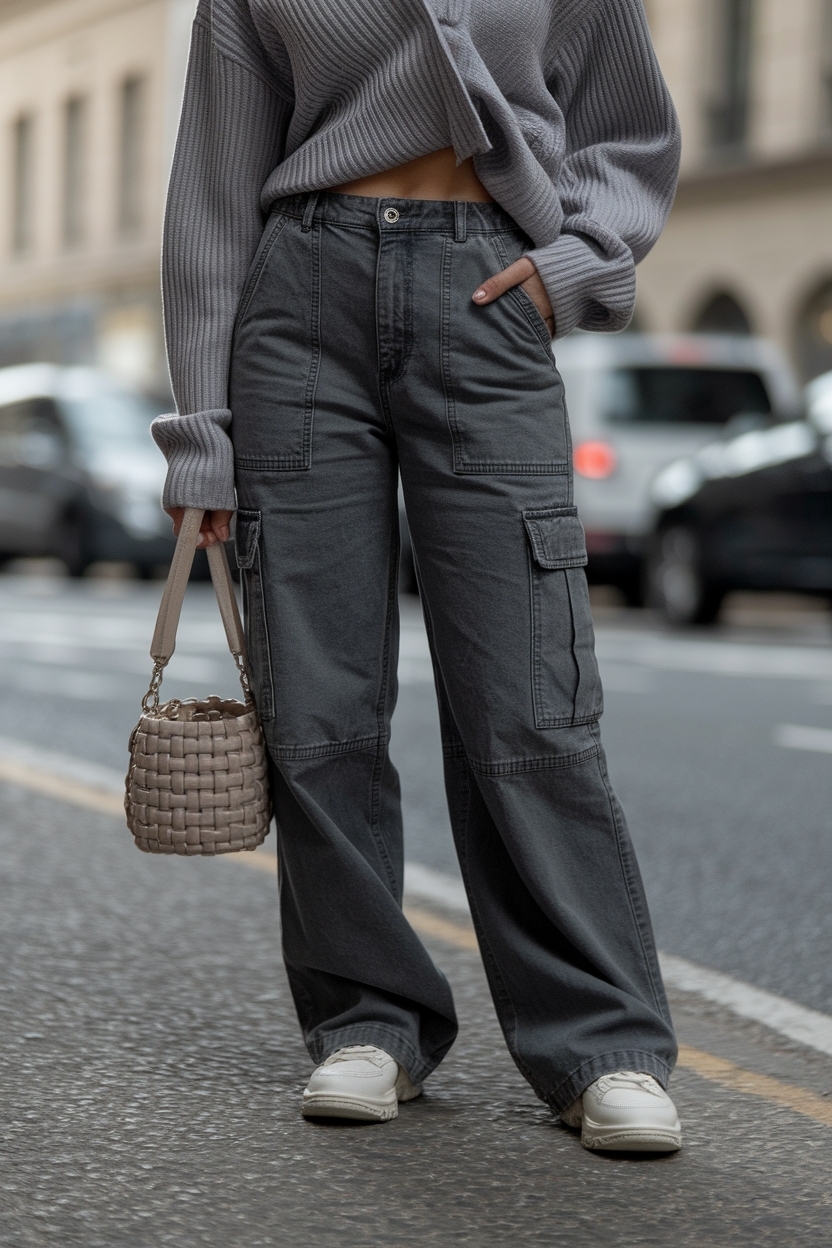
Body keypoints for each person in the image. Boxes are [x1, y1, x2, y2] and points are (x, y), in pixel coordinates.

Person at [154, 0, 683, 1153]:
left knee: (529, 694)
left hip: (490, 294)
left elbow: (628, 132)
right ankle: (367, 1020)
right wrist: (203, 434)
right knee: (317, 700)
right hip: (298, 308)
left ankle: (600, 1044)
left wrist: (575, 264)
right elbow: (208, 197)